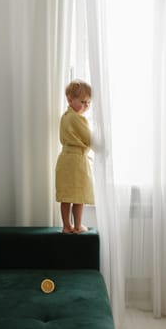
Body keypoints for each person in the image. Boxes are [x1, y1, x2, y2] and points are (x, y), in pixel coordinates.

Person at [55, 79, 94, 233]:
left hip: (65, 159)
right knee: (78, 196)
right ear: (70, 99)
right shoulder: (77, 118)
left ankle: (66, 226)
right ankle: (77, 226)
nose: (86, 106)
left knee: (66, 195)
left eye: (89, 102)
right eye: (83, 101)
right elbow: (88, 137)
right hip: (76, 161)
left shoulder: (65, 117)